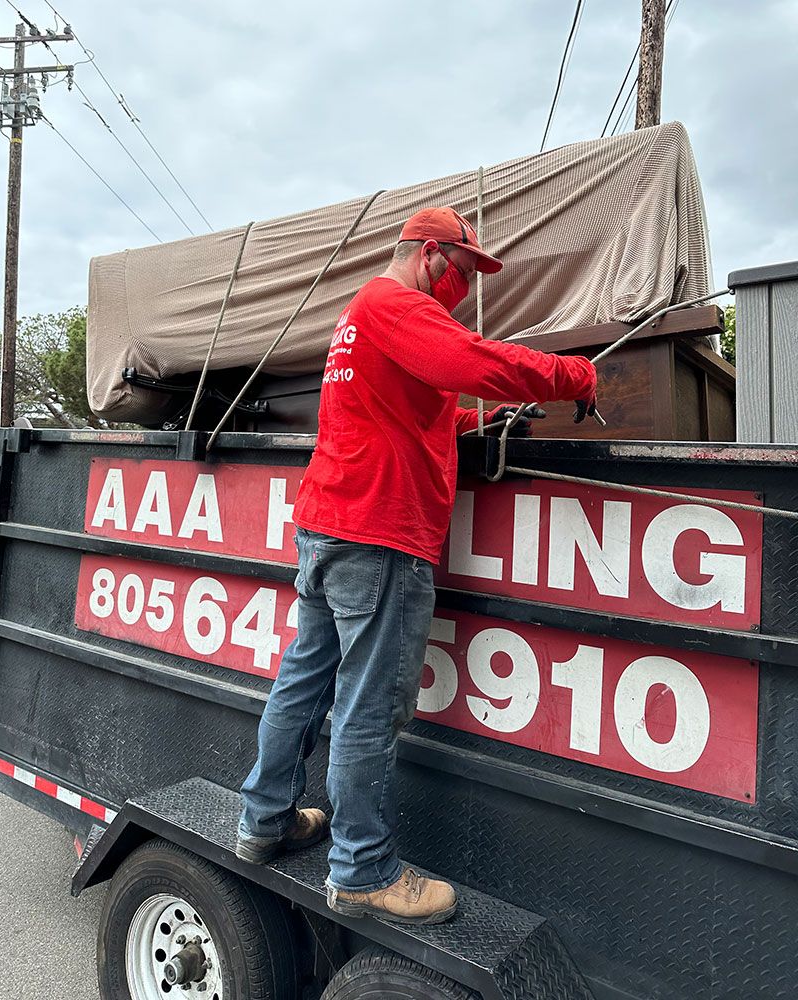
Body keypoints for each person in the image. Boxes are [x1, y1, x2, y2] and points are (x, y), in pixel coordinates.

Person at [236, 206, 597, 925]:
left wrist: (480, 421)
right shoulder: (397, 303)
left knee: (305, 680)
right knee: (370, 706)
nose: (465, 286)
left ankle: (265, 819)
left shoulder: (362, 315)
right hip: (381, 532)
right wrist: (573, 375)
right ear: (430, 254)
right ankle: (362, 870)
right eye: (463, 270)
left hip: (332, 523)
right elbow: (475, 362)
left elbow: (410, 409)